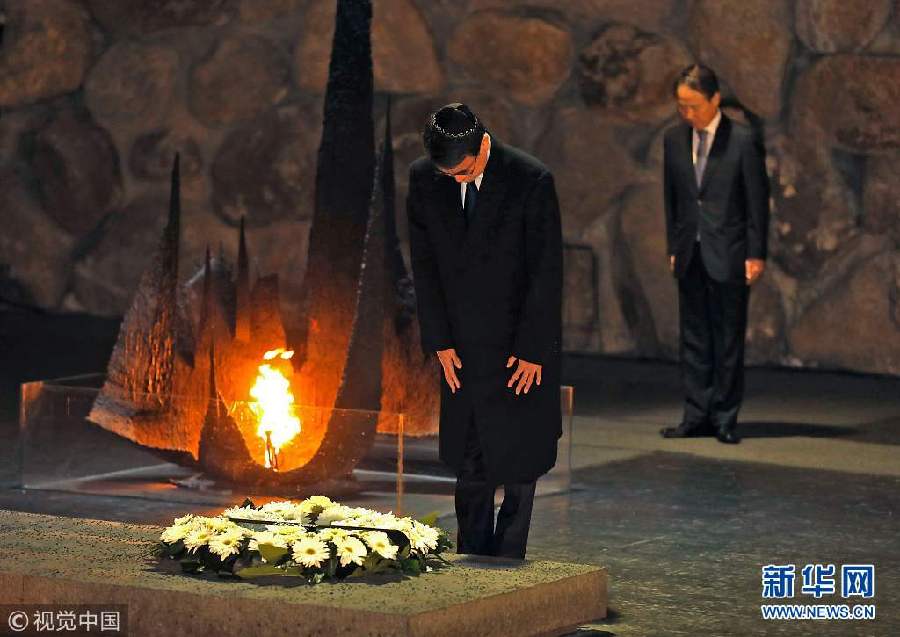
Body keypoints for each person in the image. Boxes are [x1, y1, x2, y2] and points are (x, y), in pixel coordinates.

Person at [407, 103, 563, 558]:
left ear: (483, 147)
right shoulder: (425, 179)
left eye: (464, 171)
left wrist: (534, 348)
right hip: (462, 346)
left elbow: (546, 272)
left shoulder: (530, 179)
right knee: (470, 463)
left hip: (518, 347)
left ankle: (509, 563)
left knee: (519, 465)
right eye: (448, 175)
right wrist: (439, 341)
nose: (457, 180)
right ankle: (472, 562)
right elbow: (424, 266)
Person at [659, 65, 770, 445]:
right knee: (694, 337)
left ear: (714, 100)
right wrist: (674, 246)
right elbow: (673, 199)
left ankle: (724, 416)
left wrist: (756, 253)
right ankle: (695, 415)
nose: (687, 113)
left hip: (730, 252)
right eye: (681, 106)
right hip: (690, 251)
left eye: (693, 105)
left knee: (726, 338)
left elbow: (757, 201)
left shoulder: (742, 140)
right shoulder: (674, 140)